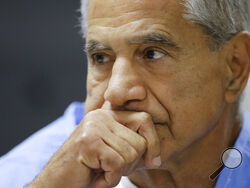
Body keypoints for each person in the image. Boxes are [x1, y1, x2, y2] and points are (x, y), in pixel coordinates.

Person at [0, 0, 250, 187]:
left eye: (152, 53)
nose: (116, 92)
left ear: (234, 67)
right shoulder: (24, 176)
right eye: (100, 57)